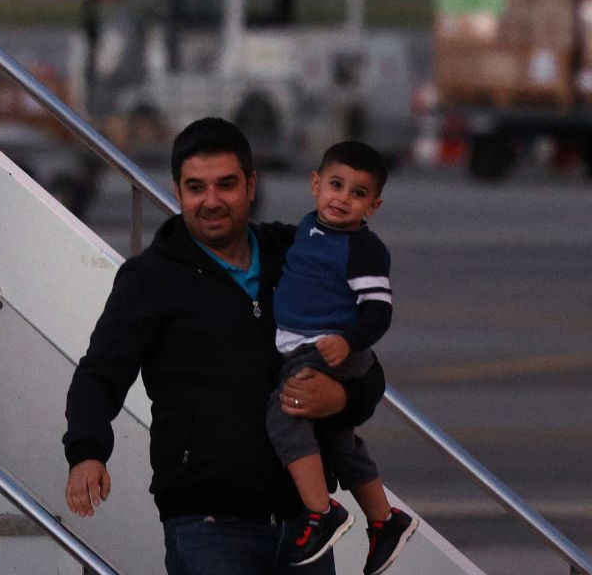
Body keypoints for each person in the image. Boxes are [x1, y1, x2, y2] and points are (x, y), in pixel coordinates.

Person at [63, 117, 388, 575]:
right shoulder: (150, 279)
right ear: (177, 193)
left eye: (227, 185)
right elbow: (100, 373)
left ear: (251, 185)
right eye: (196, 187)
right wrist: (86, 452)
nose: (211, 201)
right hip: (207, 529)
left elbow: (366, 366)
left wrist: (343, 398)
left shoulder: (297, 255)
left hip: (306, 528)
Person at [268, 140, 415, 572]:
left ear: (374, 205)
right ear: (315, 184)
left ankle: (321, 513)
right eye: (336, 185)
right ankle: (385, 521)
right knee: (336, 439)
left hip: (327, 351)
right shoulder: (308, 227)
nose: (343, 199)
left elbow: (379, 312)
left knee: (283, 414)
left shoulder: (363, 249)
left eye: (358, 193)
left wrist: (348, 341)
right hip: (304, 345)